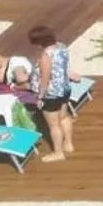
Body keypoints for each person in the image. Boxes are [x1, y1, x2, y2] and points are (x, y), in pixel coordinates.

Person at [29, 25, 74, 162]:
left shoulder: (45, 56)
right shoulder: (62, 47)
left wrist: (40, 96)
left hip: (51, 93)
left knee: (54, 125)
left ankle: (58, 152)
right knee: (64, 117)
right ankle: (68, 144)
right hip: (64, 88)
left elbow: (45, 78)